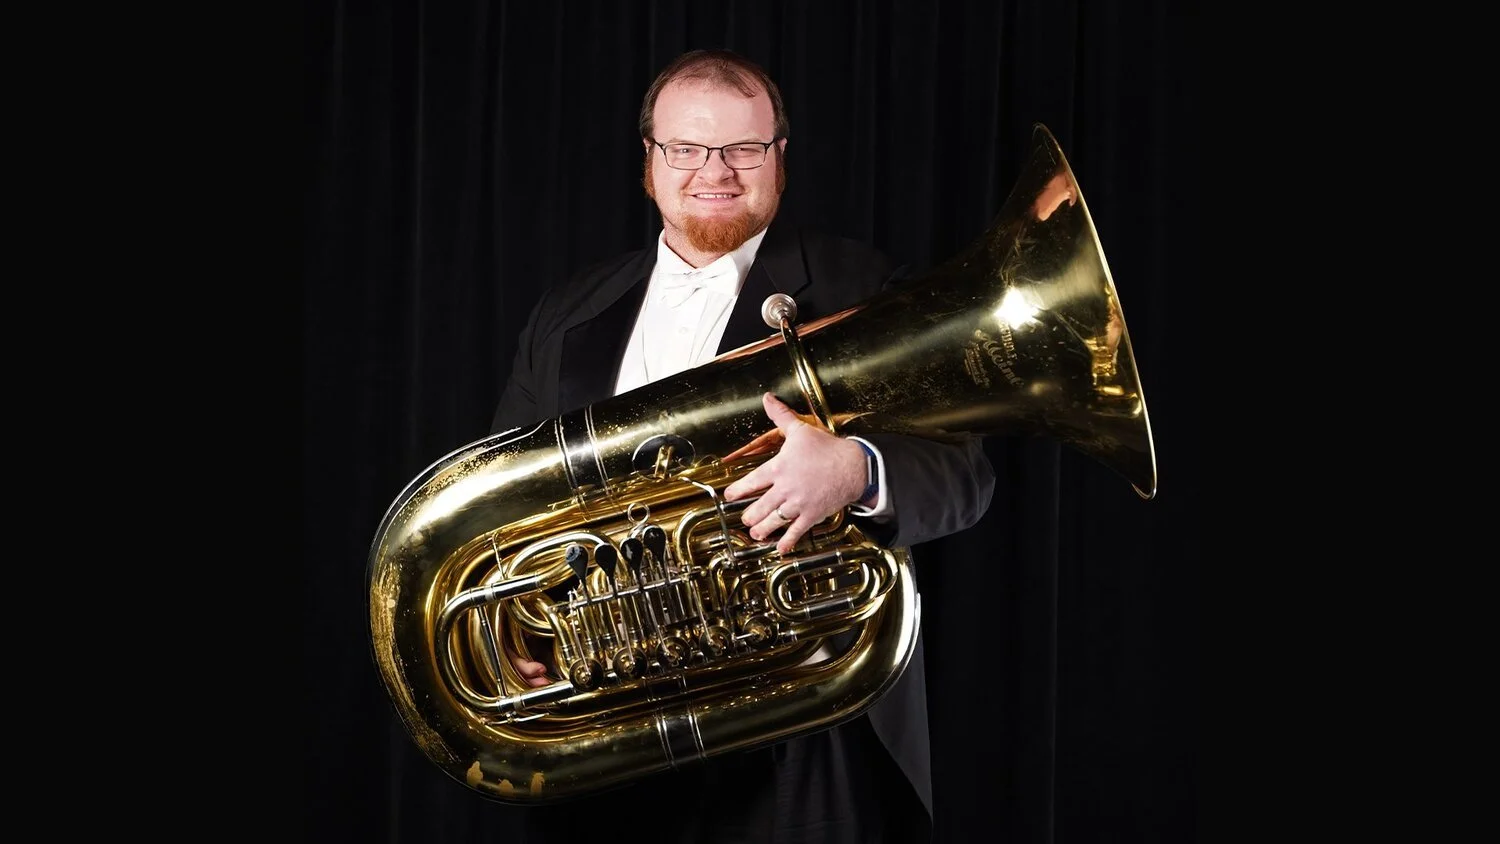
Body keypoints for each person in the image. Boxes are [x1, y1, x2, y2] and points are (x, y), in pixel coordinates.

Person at [489, 48, 995, 844]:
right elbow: (502, 501)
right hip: (607, 741)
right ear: (651, 162)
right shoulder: (568, 313)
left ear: (779, 160)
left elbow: (966, 473)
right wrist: (514, 632)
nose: (713, 171)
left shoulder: (864, 290)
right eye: (686, 149)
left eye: (742, 149)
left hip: (803, 746)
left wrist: (856, 471)